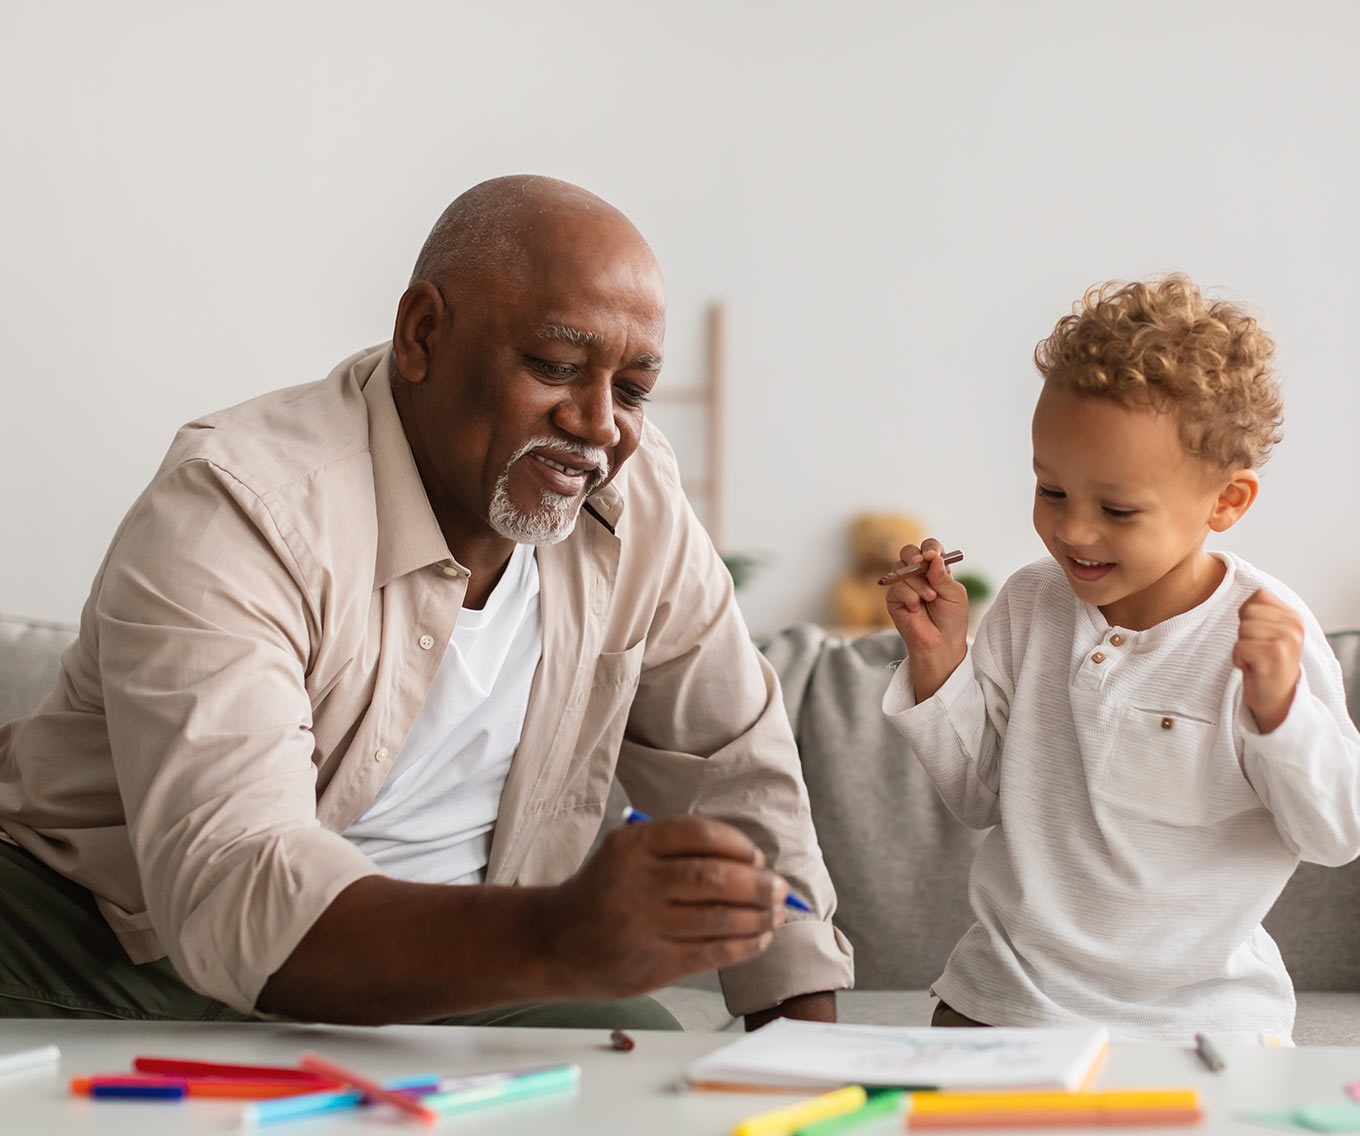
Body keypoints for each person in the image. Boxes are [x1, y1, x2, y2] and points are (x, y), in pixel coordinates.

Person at [0, 175, 852, 1029]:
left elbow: (732, 763)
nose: (599, 425)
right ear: (423, 335)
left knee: (641, 1058)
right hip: (114, 937)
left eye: (631, 389)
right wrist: (558, 937)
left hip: (454, 954)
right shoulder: (239, 504)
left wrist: (814, 1064)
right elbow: (235, 885)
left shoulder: (636, 502)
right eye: (556, 366)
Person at [880, 275, 1360, 1043]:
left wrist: (1280, 715)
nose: (1073, 531)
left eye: (1118, 510)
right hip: (1000, 1004)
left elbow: (1335, 836)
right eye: (1050, 489)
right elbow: (979, 796)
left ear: (1227, 503)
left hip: (1202, 1026)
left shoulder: (1271, 636)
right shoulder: (1032, 604)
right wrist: (941, 661)